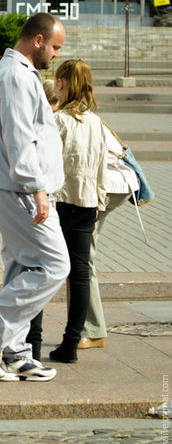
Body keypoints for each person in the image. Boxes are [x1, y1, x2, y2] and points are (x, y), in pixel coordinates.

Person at [0, 12, 70, 382]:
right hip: (20, 188)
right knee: (55, 265)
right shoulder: (14, 76)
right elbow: (19, 139)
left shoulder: (19, 74)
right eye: (55, 46)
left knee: (23, 267)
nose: (57, 55)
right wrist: (38, 189)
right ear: (38, 40)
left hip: (18, 187)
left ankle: (14, 351)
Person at [47, 59, 106, 364]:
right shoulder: (95, 122)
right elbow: (101, 167)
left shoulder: (59, 121)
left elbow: (48, 165)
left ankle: (32, 342)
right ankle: (71, 344)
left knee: (41, 270)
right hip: (87, 204)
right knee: (80, 275)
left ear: (64, 83)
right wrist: (99, 204)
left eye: (58, 79)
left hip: (60, 202)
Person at [79, 120, 139, 350]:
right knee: (80, 257)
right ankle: (89, 329)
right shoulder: (84, 116)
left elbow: (90, 164)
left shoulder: (73, 120)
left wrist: (94, 205)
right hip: (111, 186)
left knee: (82, 258)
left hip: (107, 187)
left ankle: (93, 330)